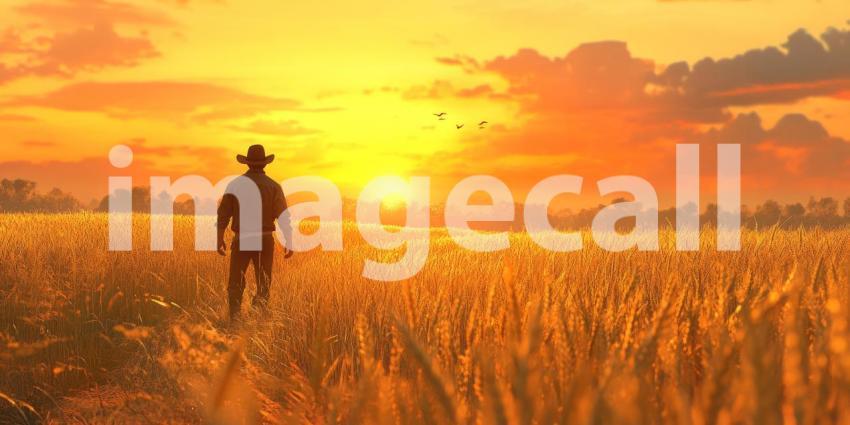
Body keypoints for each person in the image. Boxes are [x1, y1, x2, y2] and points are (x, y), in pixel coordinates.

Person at [216, 144, 293, 321]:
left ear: (247, 163)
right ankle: (259, 320)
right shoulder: (274, 186)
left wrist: (219, 238)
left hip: (242, 238)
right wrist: (289, 241)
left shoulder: (234, 185)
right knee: (264, 283)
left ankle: (234, 320)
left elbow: (223, 214)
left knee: (235, 283)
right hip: (265, 239)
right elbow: (283, 217)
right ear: (265, 164)